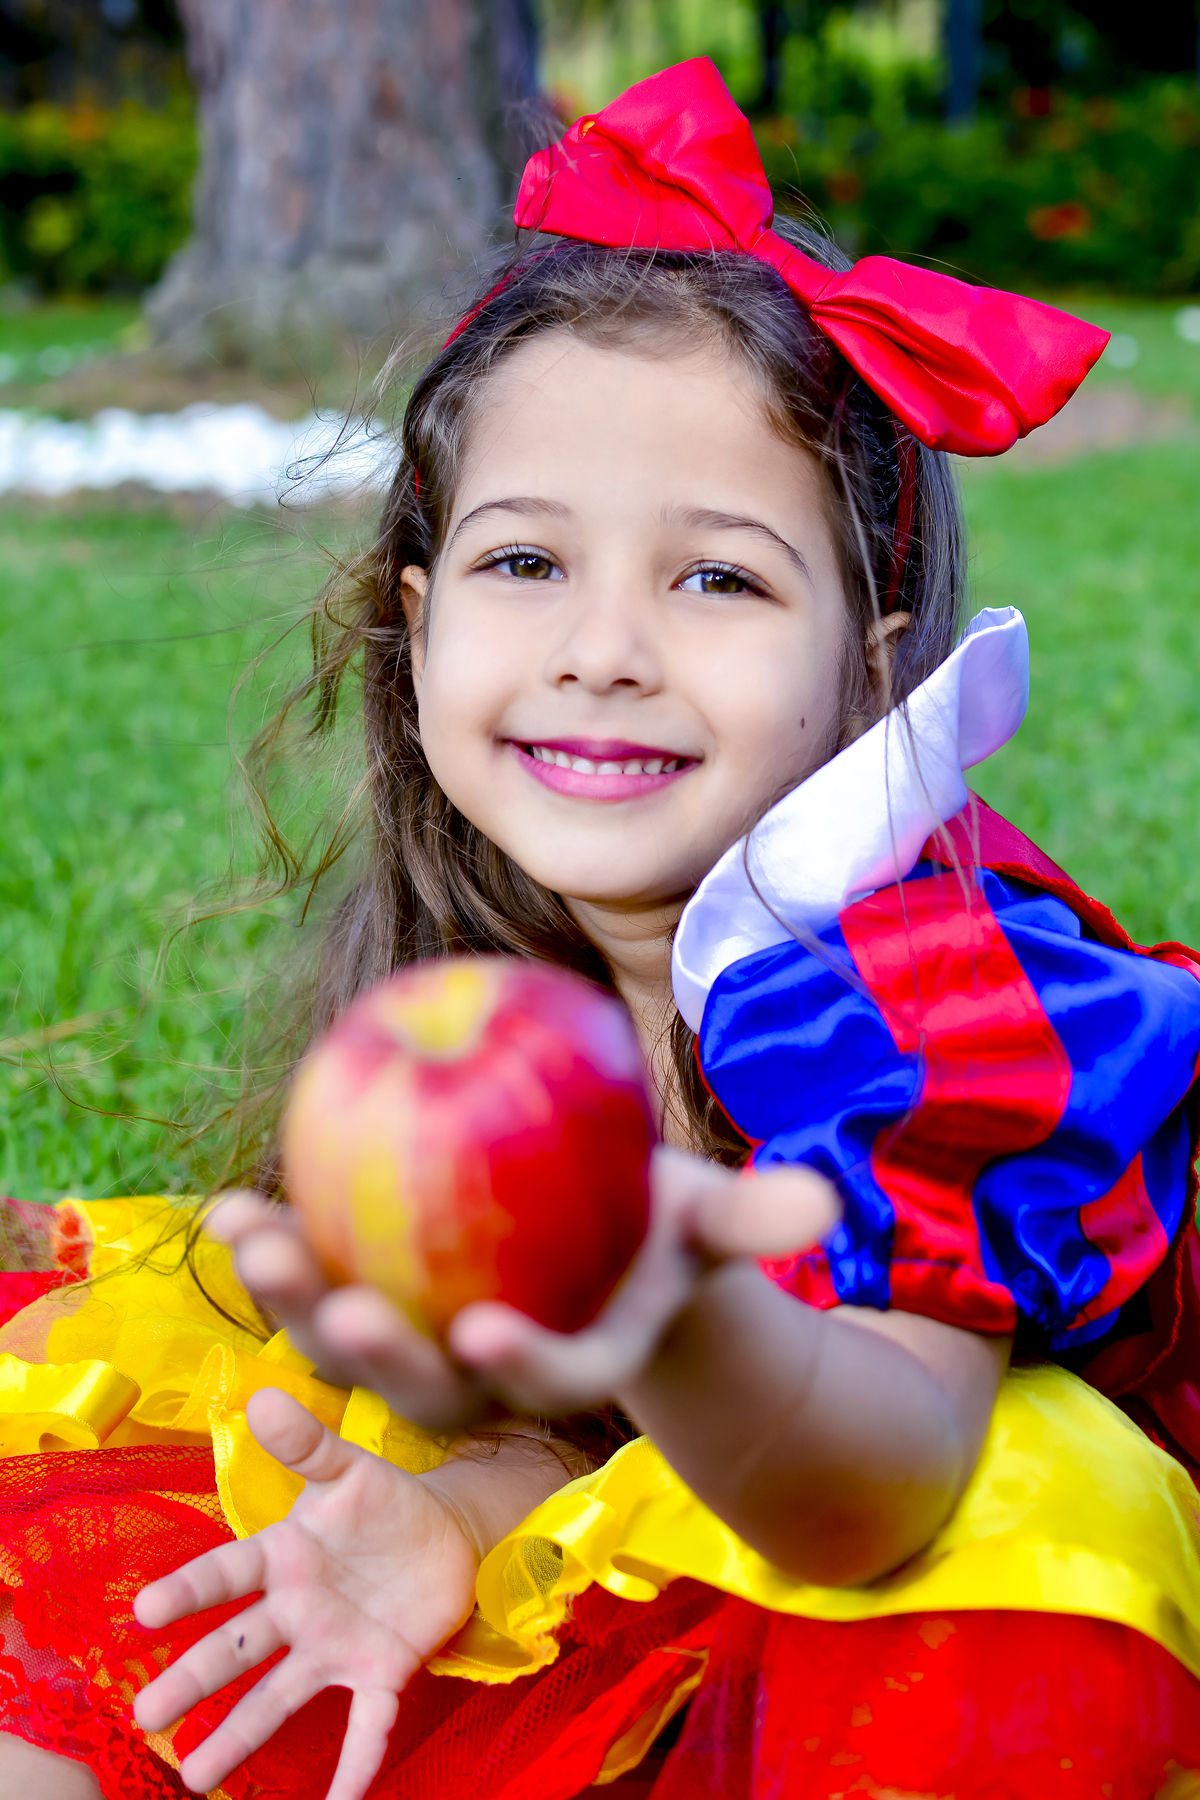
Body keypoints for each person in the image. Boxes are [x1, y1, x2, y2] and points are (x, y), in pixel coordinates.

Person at [1, 55, 1200, 1800]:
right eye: (526, 564)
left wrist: (656, 1305)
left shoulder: (933, 997)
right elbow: (585, 1435)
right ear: (414, 629)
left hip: (921, 1501)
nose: (605, 646)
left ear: (867, 667)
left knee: (1035, 1500)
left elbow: (876, 1494)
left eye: (717, 578)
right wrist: (455, 1522)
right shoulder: (504, 970)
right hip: (744, 1437)